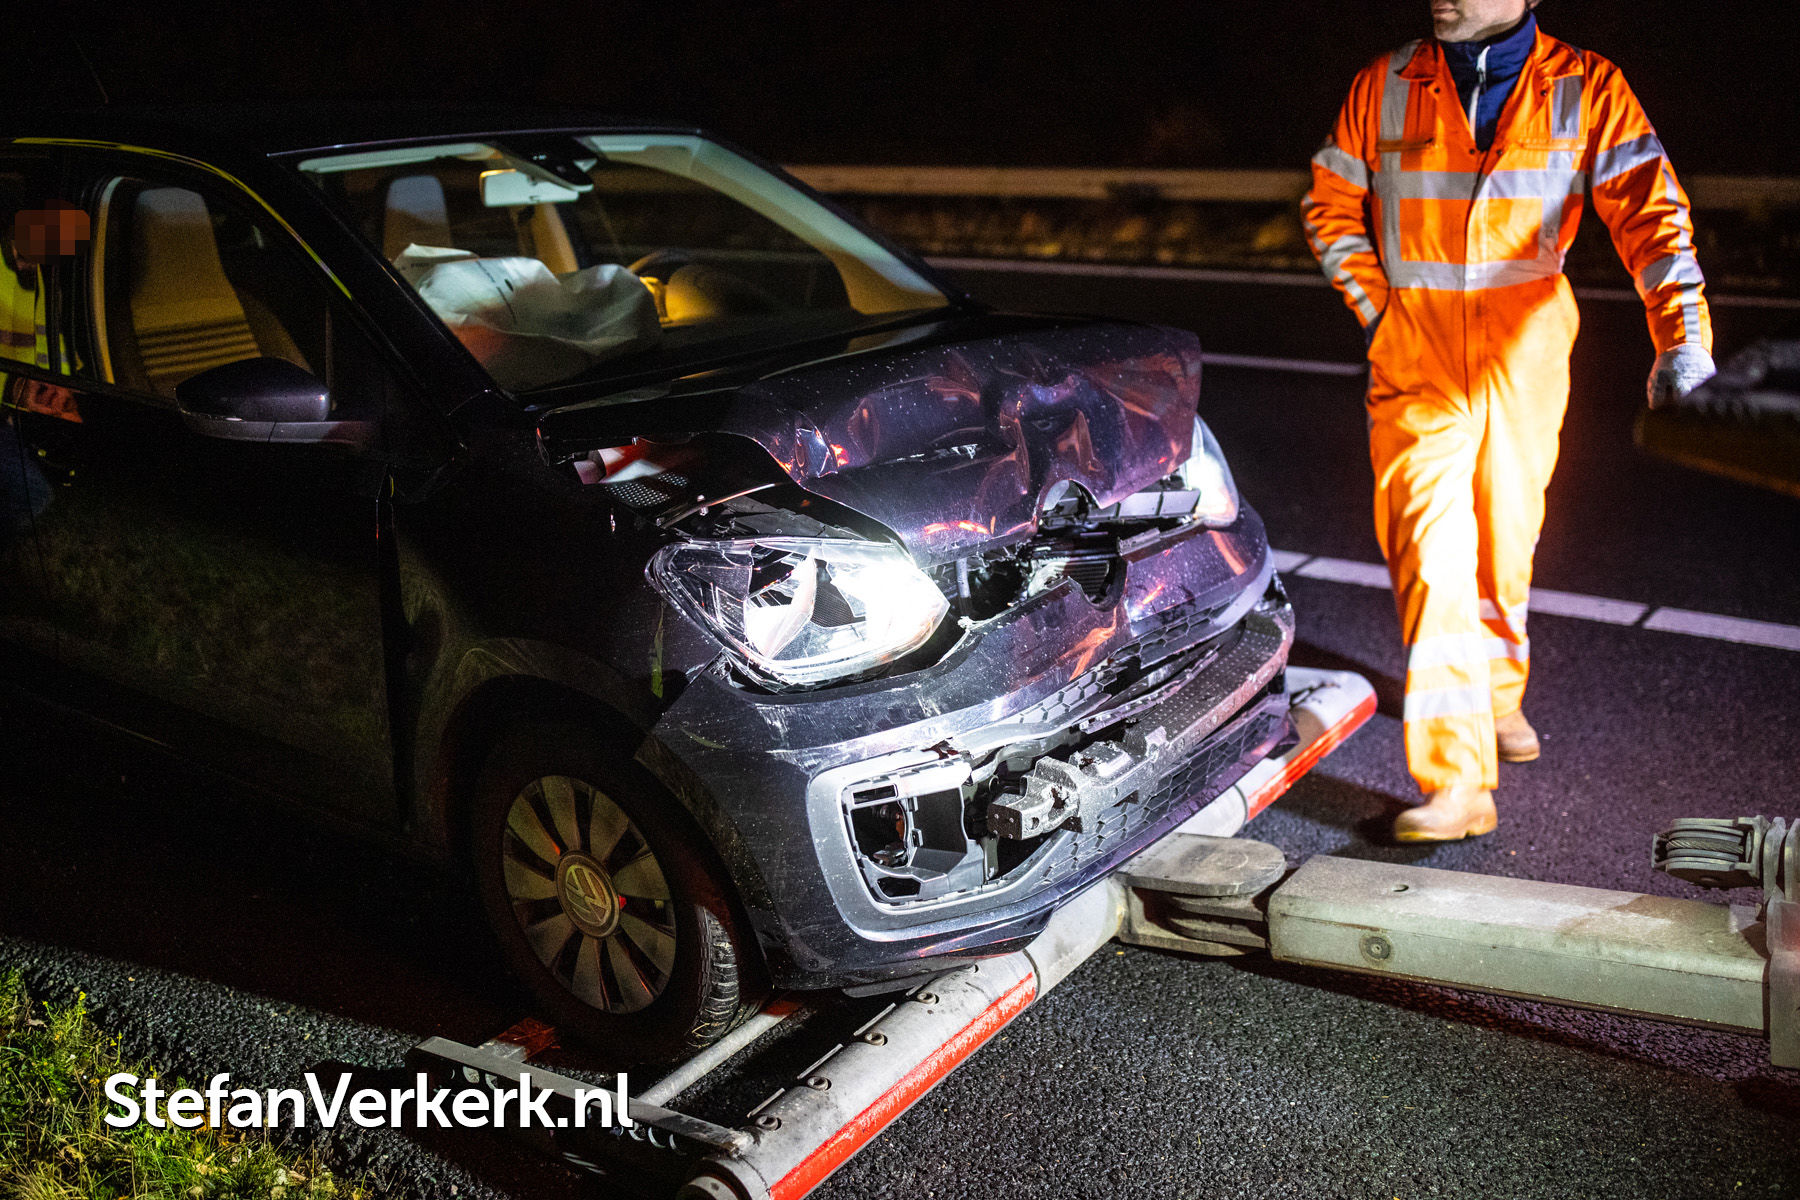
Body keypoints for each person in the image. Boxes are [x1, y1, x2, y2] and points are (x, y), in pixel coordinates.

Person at [1302, 0, 1714, 841]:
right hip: (1416, 357)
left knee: (1506, 543)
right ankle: (1456, 783)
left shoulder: (1587, 86)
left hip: (1525, 353)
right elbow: (1329, 204)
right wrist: (1380, 312)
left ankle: (1496, 695)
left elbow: (1653, 215)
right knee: (1432, 556)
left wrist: (1684, 339)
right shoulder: (1385, 83)